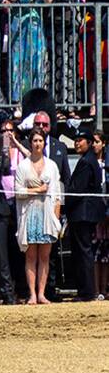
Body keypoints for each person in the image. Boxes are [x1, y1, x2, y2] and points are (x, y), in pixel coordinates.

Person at [15, 129, 63, 305]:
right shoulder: (23, 166)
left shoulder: (52, 166)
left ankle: (41, 293)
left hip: (47, 215)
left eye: (40, 141)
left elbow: (57, 194)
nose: (37, 144)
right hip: (29, 214)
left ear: (44, 143)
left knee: (44, 257)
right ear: (30, 143)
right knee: (30, 257)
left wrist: (56, 219)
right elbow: (18, 191)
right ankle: (32, 294)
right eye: (35, 140)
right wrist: (37, 190)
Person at [65, 127, 107, 301]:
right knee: (83, 250)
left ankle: (87, 291)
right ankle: (85, 290)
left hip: (83, 212)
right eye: (76, 140)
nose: (77, 142)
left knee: (83, 251)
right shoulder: (89, 160)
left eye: (80, 140)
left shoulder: (85, 162)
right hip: (85, 212)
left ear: (89, 143)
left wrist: (66, 203)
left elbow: (77, 190)